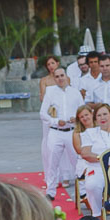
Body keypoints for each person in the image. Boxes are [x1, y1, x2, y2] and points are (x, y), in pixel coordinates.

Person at [39, 69, 85, 201]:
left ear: (67, 76)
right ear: (54, 78)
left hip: (72, 131)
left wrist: (76, 119)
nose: (60, 78)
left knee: (77, 161)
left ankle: (82, 191)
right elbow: (43, 114)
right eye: (57, 76)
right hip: (55, 131)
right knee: (52, 162)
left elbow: (83, 110)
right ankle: (51, 191)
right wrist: (55, 121)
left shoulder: (75, 92)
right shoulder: (50, 92)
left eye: (62, 76)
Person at [77, 104, 110, 214]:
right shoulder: (90, 133)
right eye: (99, 115)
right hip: (97, 167)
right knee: (92, 185)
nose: (102, 118)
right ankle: (97, 214)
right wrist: (104, 158)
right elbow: (85, 153)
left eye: (105, 114)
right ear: (95, 118)